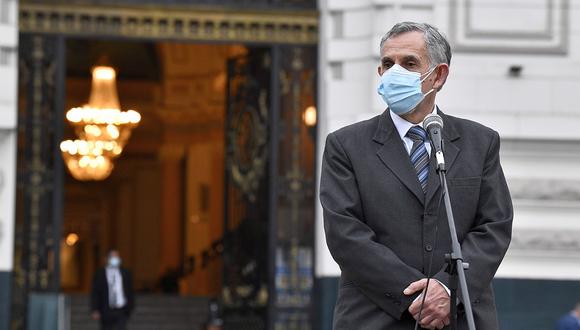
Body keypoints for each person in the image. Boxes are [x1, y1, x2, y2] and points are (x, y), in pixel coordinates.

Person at [320, 22, 513, 330]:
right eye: (387, 64)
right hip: (375, 318)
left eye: (409, 63)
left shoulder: (480, 142)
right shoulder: (346, 145)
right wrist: (415, 296)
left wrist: (447, 290)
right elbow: (346, 233)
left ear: (438, 75)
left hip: (459, 317)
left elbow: (494, 227)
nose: (395, 72)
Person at [90, 249, 135, 330]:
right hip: (106, 310)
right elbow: (95, 292)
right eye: (113, 256)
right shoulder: (100, 273)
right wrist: (95, 309)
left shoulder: (126, 273)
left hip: (121, 309)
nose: (115, 258)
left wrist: (130, 307)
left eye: (117, 256)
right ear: (107, 258)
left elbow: (130, 291)